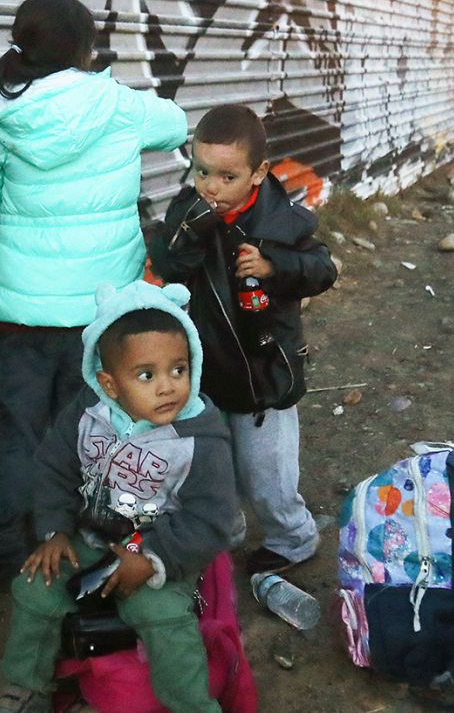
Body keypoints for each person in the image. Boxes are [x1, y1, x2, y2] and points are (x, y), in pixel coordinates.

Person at [0, 0, 188, 581]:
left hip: (19, 314)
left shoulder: (2, 118)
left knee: (13, 434)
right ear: (85, 47)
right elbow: (176, 126)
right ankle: (86, 543)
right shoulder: (118, 105)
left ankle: (0, 554)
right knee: (89, 430)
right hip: (100, 314)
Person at [0, 282, 237, 713]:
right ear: (109, 382)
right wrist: (54, 530)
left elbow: (211, 518)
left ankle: (193, 706)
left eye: (178, 369)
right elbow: (53, 468)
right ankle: (26, 686)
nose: (167, 387)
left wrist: (152, 557)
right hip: (88, 542)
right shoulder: (88, 416)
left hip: (163, 552)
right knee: (34, 591)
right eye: (147, 375)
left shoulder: (200, 437)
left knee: (162, 616)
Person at [148, 104, 336, 577]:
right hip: (207, 371)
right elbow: (170, 266)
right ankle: (222, 530)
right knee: (213, 466)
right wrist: (192, 227)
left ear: (259, 174)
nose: (212, 187)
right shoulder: (189, 212)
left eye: (227, 176)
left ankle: (293, 537)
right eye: (202, 172)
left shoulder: (283, 221)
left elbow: (322, 269)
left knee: (267, 473)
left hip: (263, 375)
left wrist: (275, 267)